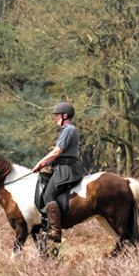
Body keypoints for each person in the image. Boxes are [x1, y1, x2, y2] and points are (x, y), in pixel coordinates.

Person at [32, 102, 84, 243]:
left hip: (65, 170)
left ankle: (55, 231)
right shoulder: (68, 129)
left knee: (49, 194)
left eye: (57, 115)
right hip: (61, 167)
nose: (55, 118)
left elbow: (57, 151)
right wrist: (46, 163)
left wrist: (40, 163)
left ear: (65, 115)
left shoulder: (68, 130)